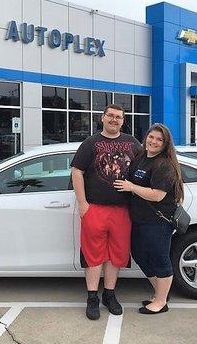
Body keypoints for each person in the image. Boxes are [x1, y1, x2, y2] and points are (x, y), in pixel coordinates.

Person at [71, 104, 141, 320]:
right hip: (95, 208)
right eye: (110, 115)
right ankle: (92, 297)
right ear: (102, 118)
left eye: (118, 117)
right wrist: (83, 204)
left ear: (123, 121)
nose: (114, 119)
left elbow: (145, 168)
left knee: (116, 255)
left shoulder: (132, 143)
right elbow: (77, 171)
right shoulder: (90, 143)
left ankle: (109, 295)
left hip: (123, 210)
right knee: (93, 255)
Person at [113, 123, 184, 315]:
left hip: (158, 220)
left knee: (159, 258)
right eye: (151, 137)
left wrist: (131, 188)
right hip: (139, 218)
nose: (154, 142)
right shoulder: (142, 158)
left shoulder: (164, 164)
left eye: (159, 140)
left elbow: (157, 195)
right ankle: (162, 293)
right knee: (140, 256)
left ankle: (161, 301)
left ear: (165, 144)